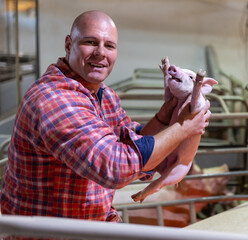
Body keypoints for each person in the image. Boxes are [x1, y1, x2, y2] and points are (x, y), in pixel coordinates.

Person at [0, 10, 211, 222]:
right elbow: (116, 166)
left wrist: (165, 116)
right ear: (68, 44)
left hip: (91, 222)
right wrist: (184, 128)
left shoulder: (103, 94)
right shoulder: (54, 100)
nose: (101, 52)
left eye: (109, 45)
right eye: (90, 42)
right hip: (50, 233)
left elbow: (133, 142)